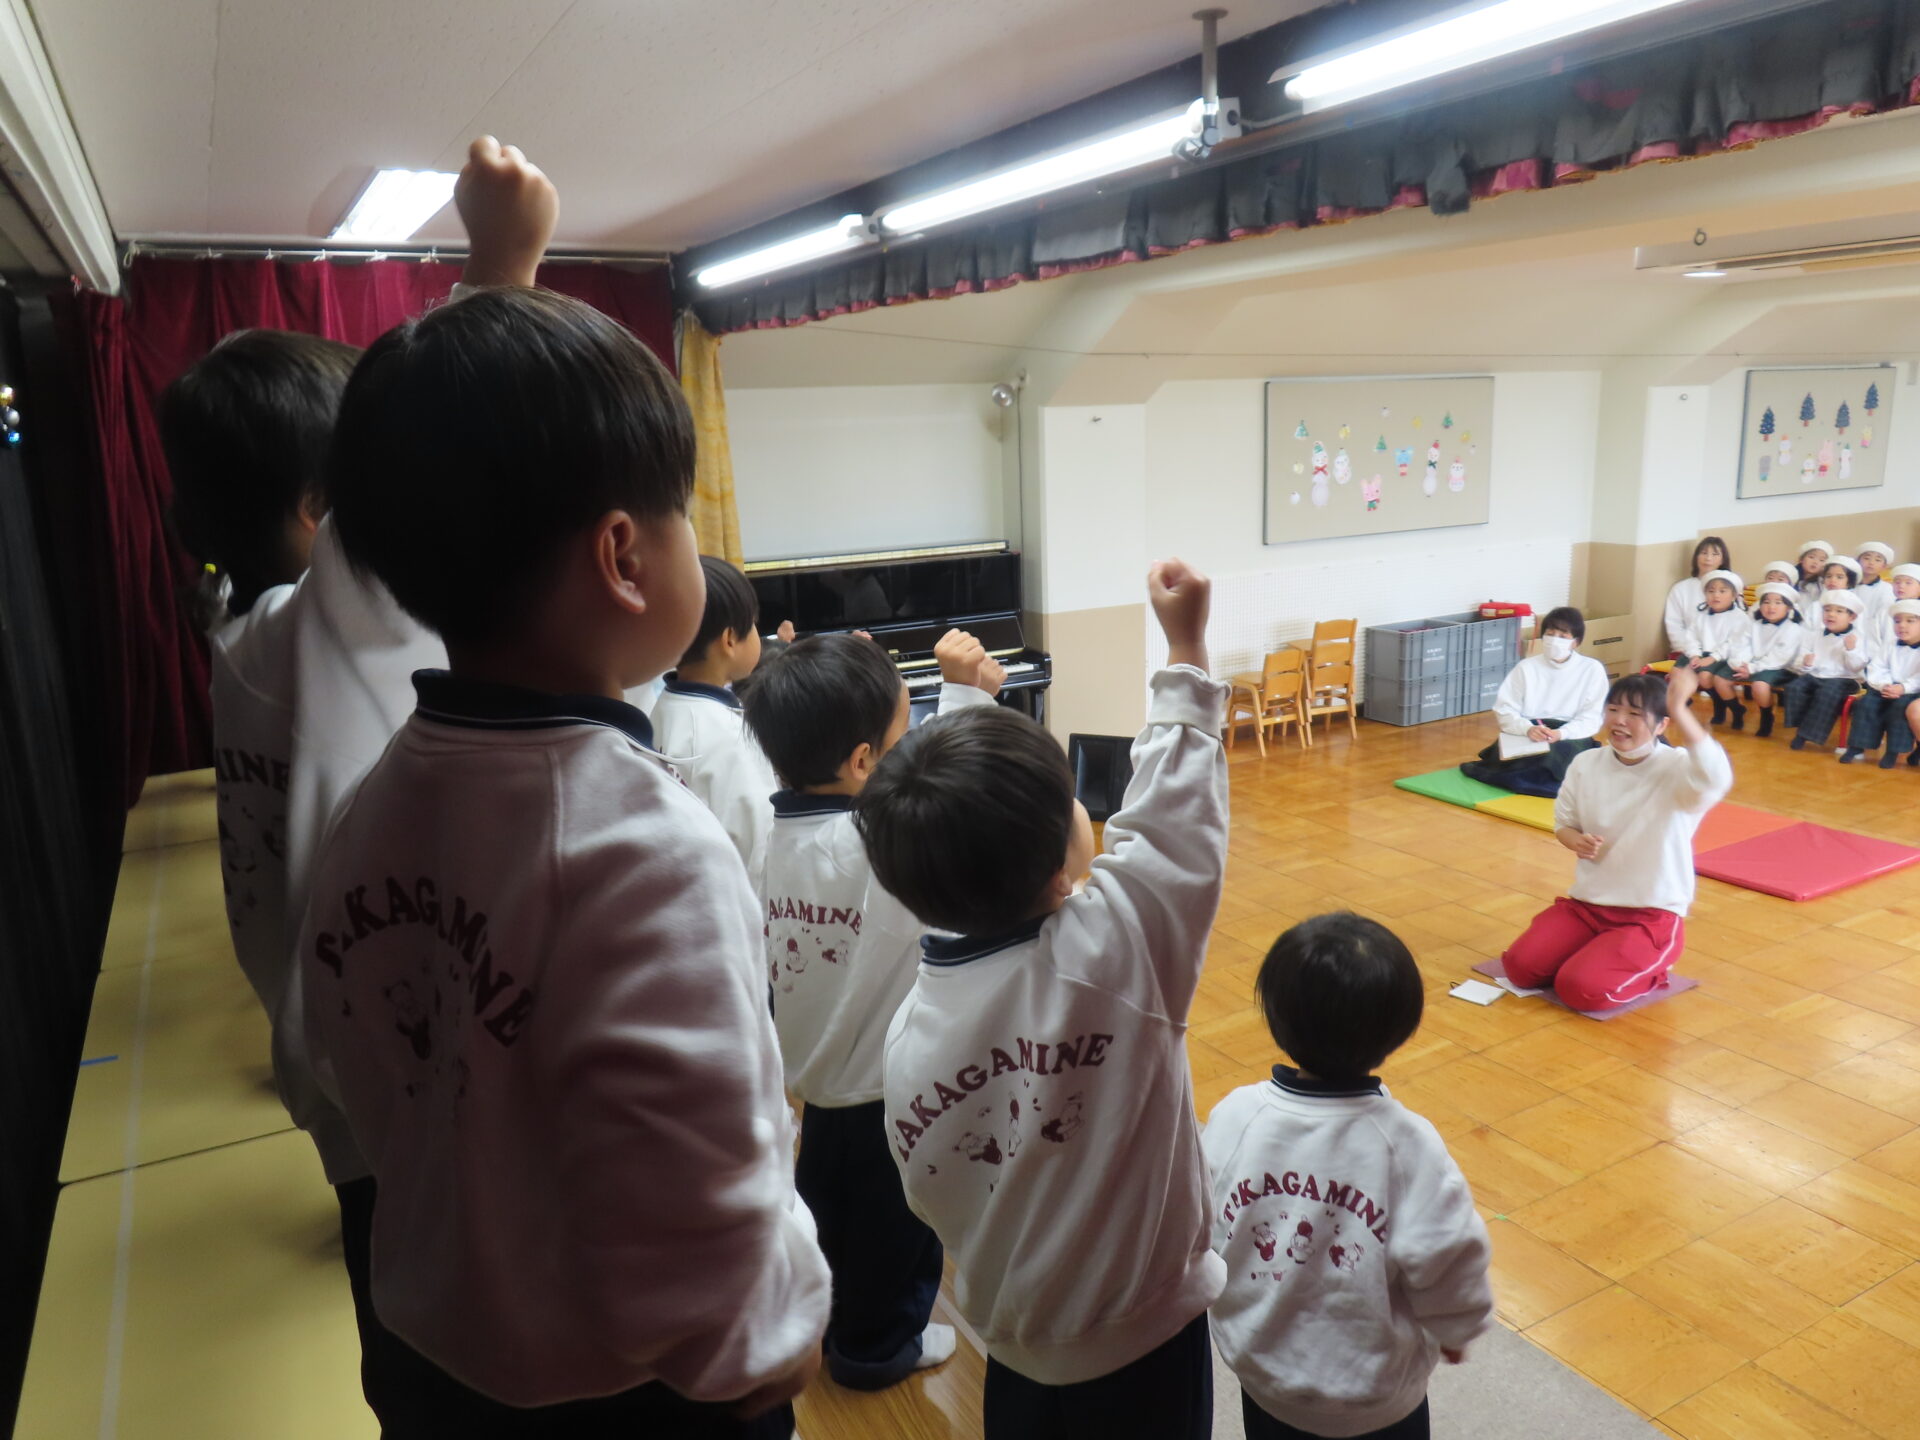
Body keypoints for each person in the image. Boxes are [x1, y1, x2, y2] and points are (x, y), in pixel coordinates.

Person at [299, 252, 829, 1429]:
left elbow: (352, 1055)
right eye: (682, 514)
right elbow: (709, 1219)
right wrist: (767, 1347)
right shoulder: (649, 849)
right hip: (625, 1395)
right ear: (625, 557)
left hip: (430, 1357)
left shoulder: (375, 796)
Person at [160, 137, 565, 1427]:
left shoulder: (245, 636)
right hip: (411, 1107)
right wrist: (498, 271)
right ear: (322, 511)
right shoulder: (312, 630)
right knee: (472, 1371)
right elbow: (434, 454)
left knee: (412, 1354)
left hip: (352, 1091)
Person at [858, 560, 1225, 1440]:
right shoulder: (1120, 950)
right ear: (1066, 863)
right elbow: (1175, 817)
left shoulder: (909, 1031)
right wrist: (1184, 647)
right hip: (1147, 1350)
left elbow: (931, 1190)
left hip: (1016, 1357)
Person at [742, 629, 1000, 1393]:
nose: (911, 747)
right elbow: (947, 796)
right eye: (901, 737)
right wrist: (965, 696)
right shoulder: (879, 841)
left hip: (814, 1081)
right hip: (888, 1089)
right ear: (862, 763)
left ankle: (828, 1314)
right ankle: (877, 1349)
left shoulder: (772, 834)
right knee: (899, 1228)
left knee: (828, 1207)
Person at [1204, 913, 1493, 1440]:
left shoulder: (1236, 1117)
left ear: (1275, 1017)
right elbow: (1448, 1252)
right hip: (1375, 1399)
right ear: (1400, 1031)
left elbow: (1198, 1220)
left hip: (1265, 1374)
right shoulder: (1407, 1145)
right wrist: (1457, 1326)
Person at [1501, 669, 1731, 1013]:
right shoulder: (1586, 763)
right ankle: (1600, 950)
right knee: (1520, 969)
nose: (1620, 721)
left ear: (1662, 725)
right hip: (1588, 905)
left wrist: (1680, 708)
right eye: (1614, 710)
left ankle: (1655, 965)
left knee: (1582, 990)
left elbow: (1716, 776)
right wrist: (1574, 840)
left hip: (1649, 915)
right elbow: (1564, 823)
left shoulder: (1679, 768)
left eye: (1635, 714)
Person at [649, 555, 781, 892]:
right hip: (734, 899)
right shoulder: (730, 737)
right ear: (729, 640)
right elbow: (759, 846)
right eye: (754, 625)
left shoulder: (661, 708)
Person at [1460, 607, 1607, 797]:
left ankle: (1530, 781)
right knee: (1513, 755)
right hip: (1531, 729)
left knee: (1555, 755)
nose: (1555, 640)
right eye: (1550, 634)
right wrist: (1527, 729)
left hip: (1568, 733)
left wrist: (1561, 733)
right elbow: (1505, 709)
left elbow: (1592, 717)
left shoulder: (1591, 669)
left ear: (1576, 642)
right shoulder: (1526, 667)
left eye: (1563, 636)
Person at [1784, 591, 1870, 752]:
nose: (1831, 614)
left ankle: (1804, 735)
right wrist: (1806, 663)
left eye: (1839, 611)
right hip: (1816, 675)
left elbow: (1857, 667)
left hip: (1845, 679)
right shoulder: (1814, 635)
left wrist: (1851, 650)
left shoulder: (1857, 638)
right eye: (1827, 610)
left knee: (1827, 692)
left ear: (1852, 617)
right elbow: (1801, 660)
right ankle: (1802, 724)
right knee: (1794, 687)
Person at [1843, 599, 1920, 768]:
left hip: (1912, 691)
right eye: (1897, 621)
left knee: (1899, 708)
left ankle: (1893, 751)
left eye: (1910, 621)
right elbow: (1877, 666)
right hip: (1887, 686)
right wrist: (1884, 685)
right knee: (1866, 704)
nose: (1902, 625)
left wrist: (1903, 688)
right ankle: (1857, 746)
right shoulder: (1890, 644)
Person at [1723, 583, 1804, 739]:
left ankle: (1766, 716)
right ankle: (1736, 710)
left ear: (1788, 607)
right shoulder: (1753, 624)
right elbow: (1743, 645)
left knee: (1759, 685)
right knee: (1721, 679)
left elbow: (1779, 657)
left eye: (1778, 602)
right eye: (1766, 602)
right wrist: (1740, 664)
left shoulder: (1793, 629)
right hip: (1753, 664)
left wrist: (1752, 668)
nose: (1771, 607)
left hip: (1782, 667)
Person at [1682, 570, 1747, 726]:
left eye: (1722, 591)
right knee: (1691, 674)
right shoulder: (1701, 614)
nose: (1716, 595)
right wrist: (1694, 654)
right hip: (1705, 655)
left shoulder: (1740, 617)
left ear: (1734, 595)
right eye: (1711, 591)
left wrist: (1713, 658)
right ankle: (1721, 705)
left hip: (1728, 656)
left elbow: (1734, 643)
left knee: (1706, 677)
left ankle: (1736, 709)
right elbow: (1691, 637)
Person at [1663, 536, 1731, 657]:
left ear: (1722, 560)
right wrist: (1692, 652)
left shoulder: (1731, 589)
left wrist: (1717, 655)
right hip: (1687, 652)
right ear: (1696, 558)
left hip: (1722, 654)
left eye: (1715, 554)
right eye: (1704, 553)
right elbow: (1674, 626)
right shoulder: (1680, 589)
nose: (1708, 558)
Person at [1856, 542, 1898, 630]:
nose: (1871, 563)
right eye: (1867, 558)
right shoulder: (1847, 585)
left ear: (1884, 566)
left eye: (1877, 560)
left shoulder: (1887, 589)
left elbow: (1886, 620)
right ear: (1858, 562)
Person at [1796, 540, 1835, 619]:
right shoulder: (1792, 579)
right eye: (1811, 557)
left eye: (1821, 560)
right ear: (1801, 559)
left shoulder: (1823, 583)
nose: (1815, 562)